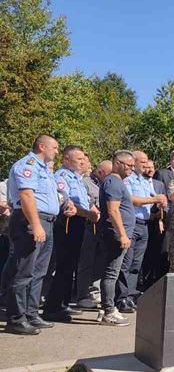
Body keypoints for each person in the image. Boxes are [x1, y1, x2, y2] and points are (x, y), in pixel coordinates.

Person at [4, 135, 77, 335]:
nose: (56, 151)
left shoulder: (45, 169)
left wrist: (66, 204)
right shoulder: (27, 165)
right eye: (54, 147)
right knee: (23, 271)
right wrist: (36, 225)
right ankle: (16, 318)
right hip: (30, 220)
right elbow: (26, 196)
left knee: (39, 272)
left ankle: (31, 313)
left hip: (48, 221)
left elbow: (50, 195)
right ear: (42, 146)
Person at [42, 145, 99, 322]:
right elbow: (67, 203)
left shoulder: (77, 178)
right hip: (67, 223)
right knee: (64, 266)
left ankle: (63, 303)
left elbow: (85, 201)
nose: (82, 162)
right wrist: (89, 213)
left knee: (71, 266)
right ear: (67, 159)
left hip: (80, 222)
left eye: (83, 159)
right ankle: (53, 307)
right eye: (79, 158)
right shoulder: (62, 176)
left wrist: (93, 212)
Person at [116, 151, 168, 312]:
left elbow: (152, 198)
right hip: (131, 223)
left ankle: (130, 295)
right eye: (142, 162)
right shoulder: (127, 180)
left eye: (146, 162)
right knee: (126, 262)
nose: (145, 165)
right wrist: (154, 199)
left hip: (145, 224)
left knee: (136, 264)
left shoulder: (144, 181)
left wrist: (160, 203)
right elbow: (131, 199)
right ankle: (120, 297)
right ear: (134, 161)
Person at [97, 150, 136, 327]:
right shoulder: (112, 182)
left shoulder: (119, 182)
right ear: (118, 163)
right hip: (115, 234)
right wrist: (122, 234)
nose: (132, 169)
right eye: (129, 165)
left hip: (121, 233)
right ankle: (108, 311)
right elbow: (113, 210)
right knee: (111, 273)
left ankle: (110, 307)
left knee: (113, 272)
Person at [75, 160, 111, 309]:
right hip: (89, 226)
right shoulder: (85, 183)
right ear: (101, 172)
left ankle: (95, 293)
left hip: (103, 228)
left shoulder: (106, 184)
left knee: (100, 263)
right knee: (86, 263)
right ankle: (82, 295)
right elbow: (85, 202)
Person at [140, 159, 169, 289]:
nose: (150, 170)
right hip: (142, 222)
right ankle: (141, 284)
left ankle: (153, 283)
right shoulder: (138, 183)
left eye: (152, 167)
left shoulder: (159, 184)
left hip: (157, 223)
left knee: (156, 253)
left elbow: (165, 203)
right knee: (143, 255)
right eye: (147, 167)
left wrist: (161, 217)